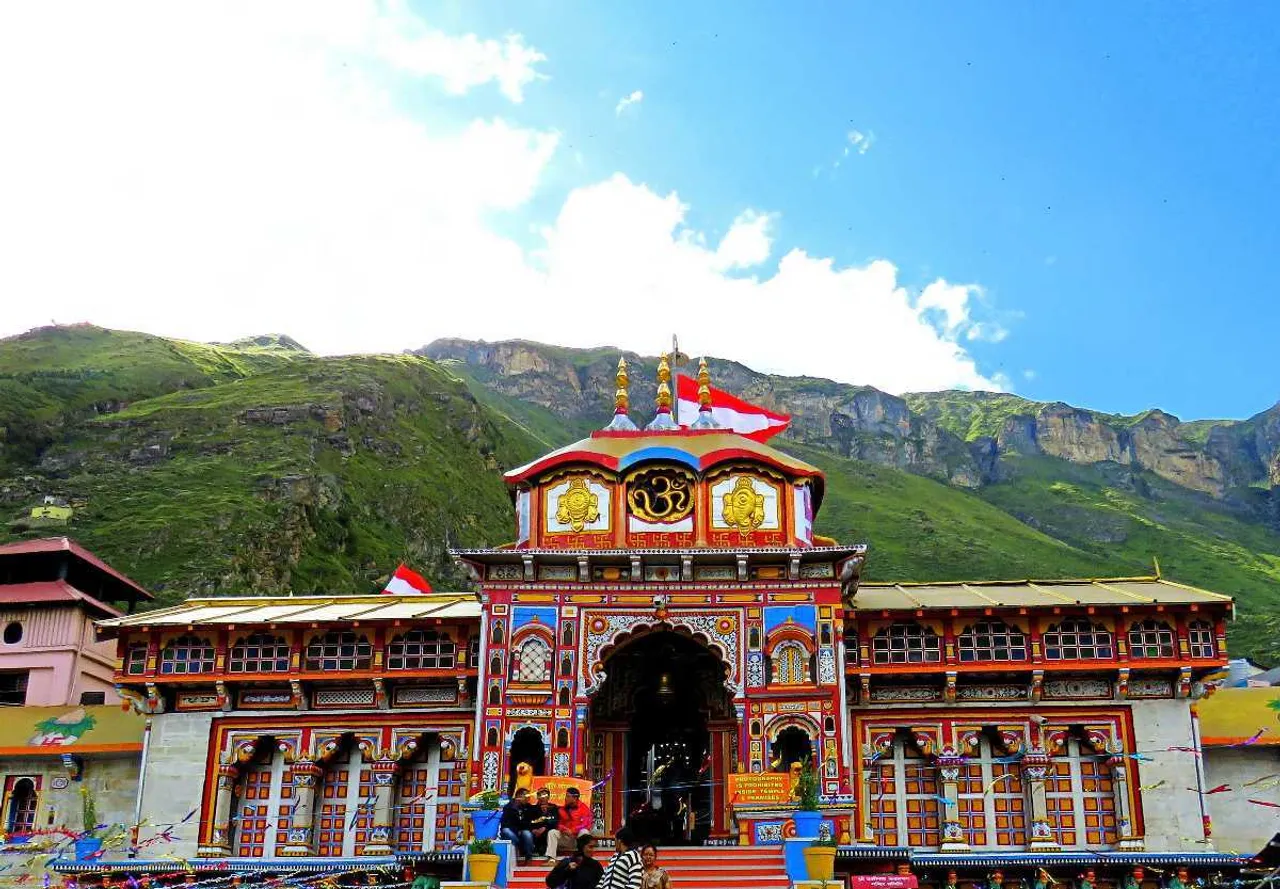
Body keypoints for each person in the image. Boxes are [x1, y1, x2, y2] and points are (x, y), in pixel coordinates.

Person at [546, 786, 594, 860]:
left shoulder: (584, 809)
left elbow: (586, 825)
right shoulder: (562, 809)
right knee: (552, 832)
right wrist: (563, 829)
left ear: (575, 798)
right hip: (566, 838)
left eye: (568, 796)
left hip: (578, 840)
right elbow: (559, 824)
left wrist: (572, 830)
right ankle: (551, 859)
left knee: (584, 831)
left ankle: (584, 858)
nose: (565, 798)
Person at [500, 788, 536, 864]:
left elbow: (528, 823)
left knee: (527, 833)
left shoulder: (528, 807)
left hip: (522, 831)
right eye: (526, 796)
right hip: (511, 832)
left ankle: (528, 856)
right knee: (506, 831)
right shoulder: (509, 807)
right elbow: (505, 824)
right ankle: (517, 850)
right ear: (519, 796)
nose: (528, 799)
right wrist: (515, 808)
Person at [530, 786, 560, 859]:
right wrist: (533, 829)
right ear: (537, 797)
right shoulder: (532, 808)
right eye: (540, 795)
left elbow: (555, 821)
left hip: (547, 831)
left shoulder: (553, 807)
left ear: (549, 797)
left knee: (551, 832)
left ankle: (545, 851)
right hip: (535, 831)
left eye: (545, 795)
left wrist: (545, 827)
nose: (543, 797)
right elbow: (529, 821)